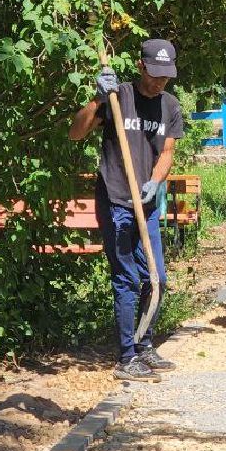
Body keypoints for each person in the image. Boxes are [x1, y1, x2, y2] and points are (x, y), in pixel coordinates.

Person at [68, 38, 184, 382]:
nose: (161, 81)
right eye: (155, 73)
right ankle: (126, 357)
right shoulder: (119, 97)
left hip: (145, 202)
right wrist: (97, 100)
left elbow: (166, 153)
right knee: (127, 278)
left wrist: (156, 182)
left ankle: (144, 343)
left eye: (167, 75)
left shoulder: (170, 106)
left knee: (157, 277)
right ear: (141, 66)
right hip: (115, 199)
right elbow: (75, 133)